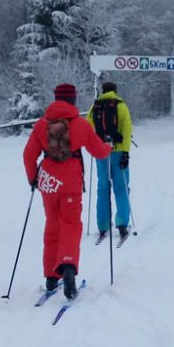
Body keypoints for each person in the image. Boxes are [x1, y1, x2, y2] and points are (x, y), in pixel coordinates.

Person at [23, 83, 111, 299]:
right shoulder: (79, 125)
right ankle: (68, 266)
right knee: (71, 225)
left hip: (49, 183)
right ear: (73, 100)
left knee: (52, 225)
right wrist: (108, 147)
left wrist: (33, 177)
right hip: (71, 183)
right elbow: (99, 152)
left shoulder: (41, 125)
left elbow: (28, 155)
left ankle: (51, 276)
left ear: (55, 99)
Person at [87, 82, 133, 244]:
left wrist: (95, 147)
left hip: (101, 152)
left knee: (103, 188)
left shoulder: (96, 107)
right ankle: (122, 223)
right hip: (118, 151)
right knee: (121, 188)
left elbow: (88, 127)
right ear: (115, 91)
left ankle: (103, 225)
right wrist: (126, 152)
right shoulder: (121, 106)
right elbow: (127, 129)